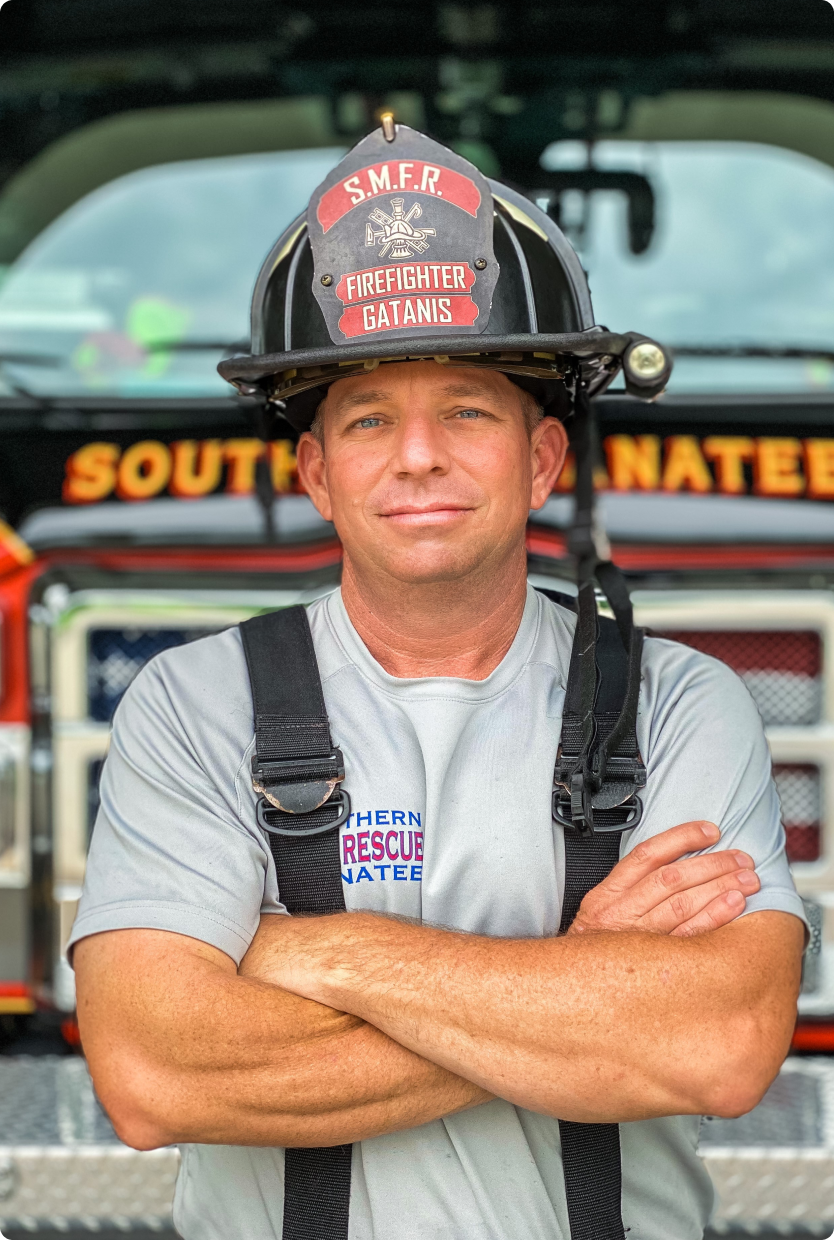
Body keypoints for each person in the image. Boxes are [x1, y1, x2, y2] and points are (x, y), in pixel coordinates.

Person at [71, 124, 805, 1240]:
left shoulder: (678, 704)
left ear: (542, 458)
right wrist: (584, 990)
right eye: (367, 418)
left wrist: (299, 948)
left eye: (466, 407)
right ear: (317, 472)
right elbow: (149, 1076)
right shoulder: (192, 705)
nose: (418, 455)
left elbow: (720, 1044)